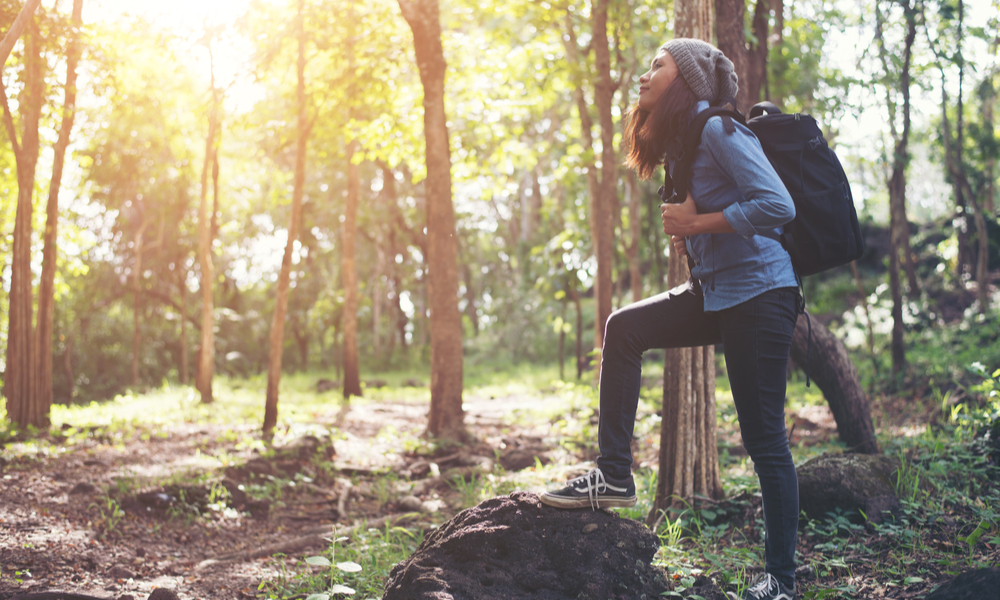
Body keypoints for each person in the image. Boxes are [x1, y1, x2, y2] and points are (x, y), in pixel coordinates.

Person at [539, 39, 800, 600]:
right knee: (624, 327)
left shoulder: (718, 131)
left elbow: (779, 205)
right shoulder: (683, 142)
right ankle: (613, 475)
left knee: (764, 441)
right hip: (716, 292)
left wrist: (697, 223)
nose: (644, 74)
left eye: (658, 64)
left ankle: (781, 580)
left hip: (760, 292)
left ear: (687, 81)